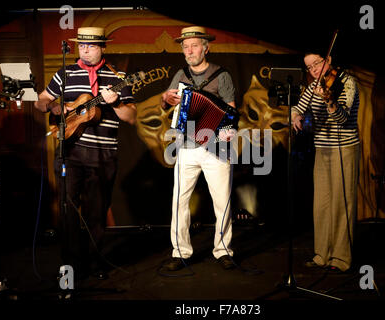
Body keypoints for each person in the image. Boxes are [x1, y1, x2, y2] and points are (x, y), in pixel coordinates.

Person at [34, 27, 136, 281]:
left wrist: (115, 103)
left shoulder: (118, 76)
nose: (84, 50)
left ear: (103, 47)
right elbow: (41, 101)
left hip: (103, 155)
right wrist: (56, 106)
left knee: (96, 212)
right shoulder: (65, 72)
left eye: (90, 46)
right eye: (81, 45)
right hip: (70, 152)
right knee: (68, 210)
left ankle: (94, 262)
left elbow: (131, 117)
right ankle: (70, 263)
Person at [161, 26, 237, 271]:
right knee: (179, 201)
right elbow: (166, 103)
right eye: (185, 46)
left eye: (194, 45)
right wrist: (166, 99)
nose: (189, 50)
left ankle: (223, 250)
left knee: (221, 201)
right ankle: (180, 251)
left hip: (216, 147)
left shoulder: (221, 75)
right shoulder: (180, 75)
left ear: (206, 47)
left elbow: (231, 110)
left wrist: (225, 133)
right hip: (186, 146)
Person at [291, 52, 360, 273]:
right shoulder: (313, 86)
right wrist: (295, 116)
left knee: (342, 202)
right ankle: (322, 254)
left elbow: (343, 118)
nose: (313, 70)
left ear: (328, 61)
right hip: (323, 149)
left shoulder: (347, 83)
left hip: (345, 148)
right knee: (321, 203)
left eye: (316, 64)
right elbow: (297, 106)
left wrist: (329, 100)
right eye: (309, 68)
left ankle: (340, 258)